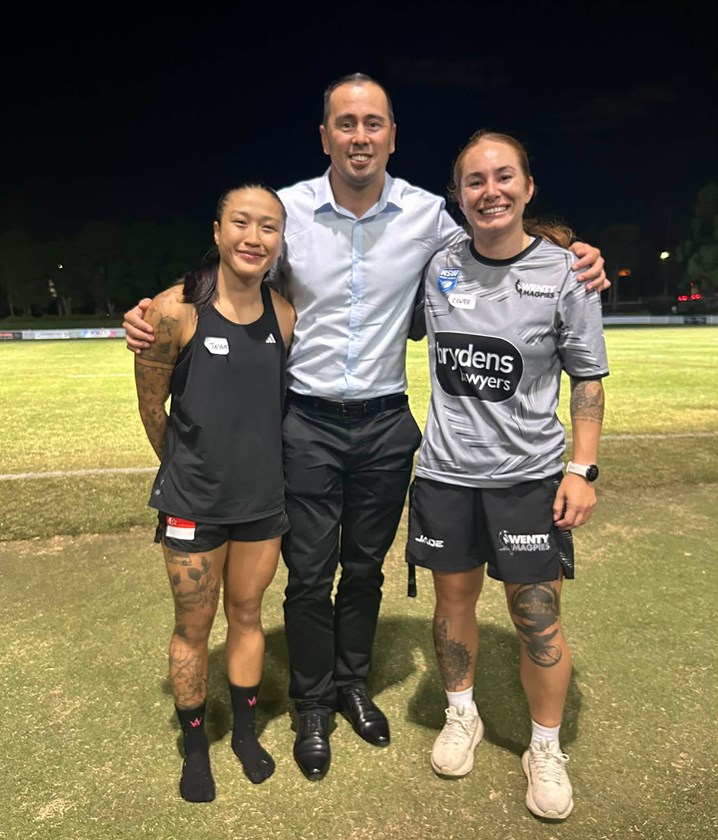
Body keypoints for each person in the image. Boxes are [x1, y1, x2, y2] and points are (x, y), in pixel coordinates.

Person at [124, 73, 609, 782]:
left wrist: (574, 251)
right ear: (325, 135)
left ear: (391, 136)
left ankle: (352, 686)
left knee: (364, 570)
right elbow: (231, 264)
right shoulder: (286, 209)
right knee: (310, 572)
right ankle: (314, 702)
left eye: (373, 123)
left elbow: (500, 230)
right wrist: (155, 307)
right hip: (307, 423)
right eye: (345, 124)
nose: (359, 136)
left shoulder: (425, 215)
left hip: (386, 422)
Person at [405, 129, 608, 821]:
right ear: (458, 195)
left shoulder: (567, 273)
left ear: (527, 186)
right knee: (452, 606)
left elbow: (587, 377)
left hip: (527, 480)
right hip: (445, 476)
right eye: (474, 181)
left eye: (502, 177)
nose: (489, 191)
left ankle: (545, 749)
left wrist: (581, 469)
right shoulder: (436, 267)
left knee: (537, 618)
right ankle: (463, 715)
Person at [134, 184, 296, 802]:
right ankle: (195, 747)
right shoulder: (175, 311)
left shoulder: (283, 314)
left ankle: (246, 734)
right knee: (193, 629)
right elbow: (153, 409)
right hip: (192, 506)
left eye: (269, 228)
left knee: (249, 616)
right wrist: (186, 475)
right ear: (217, 230)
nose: (254, 238)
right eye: (241, 223)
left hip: (263, 504)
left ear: (280, 241)